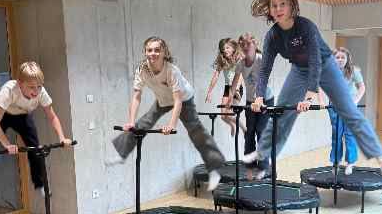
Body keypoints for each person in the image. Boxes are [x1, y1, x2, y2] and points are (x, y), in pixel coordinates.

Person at [242, 0, 382, 175]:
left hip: (325, 65)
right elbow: (265, 69)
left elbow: (315, 60)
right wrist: (259, 96)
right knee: (282, 113)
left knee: (349, 111)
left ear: (291, 6)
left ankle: (381, 157)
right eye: (274, 5)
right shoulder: (272, 36)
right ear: (270, 10)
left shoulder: (306, 27)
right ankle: (263, 153)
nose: (278, 9)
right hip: (299, 70)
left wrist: (309, 96)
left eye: (282, 4)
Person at [110, 36, 226, 191]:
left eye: (157, 50)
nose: (153, 53)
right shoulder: (142, 70)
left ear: (164, 52)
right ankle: (121, 152)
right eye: (149, 50)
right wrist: (131, 121)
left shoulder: (171, 70)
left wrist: (171, 125)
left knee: (195, 131)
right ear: (145, 52)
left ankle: (214, 169)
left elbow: (178, 100)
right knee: (143, 123)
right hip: (163, 99)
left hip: (183, 98)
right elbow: (136, 96)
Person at [0, 61, 72, 212]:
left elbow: (52, 117)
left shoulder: (41, 92)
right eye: (31, 87)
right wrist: (7, 144)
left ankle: (40, 184)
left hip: (22, 115)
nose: (36, 91)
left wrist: (62, 137)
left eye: (39, 87)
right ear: (20, 84)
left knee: (35, 149)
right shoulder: (9, 90)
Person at [228, 33, 274, 180]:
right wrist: (230, 100)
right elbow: (234, 84)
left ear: (255, 45)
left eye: (248, 43)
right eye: (242, 44)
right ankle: (249, 166)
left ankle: (263, 167)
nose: (245, 47)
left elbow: (264, 81)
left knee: (261, 132)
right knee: (249, 134)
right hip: (250, 102)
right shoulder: (241, 64)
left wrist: (258, 100)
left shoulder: (261, 60)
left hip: (265, 100)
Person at [329, 47, 365, 175]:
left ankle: (350, 162)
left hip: (350, 106)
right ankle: (336, 162)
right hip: (335, 106)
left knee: (349, 134)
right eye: (337, 57)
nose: (340, 59)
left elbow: (362, 87)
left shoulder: (354, 71)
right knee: (336, 135)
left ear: (347, 59)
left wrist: (355, 101)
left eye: (343, 57)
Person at [205, 38, 246, 135]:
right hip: (227, 88)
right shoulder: (222, 60)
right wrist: (209, 92)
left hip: (237, 87)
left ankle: (244, 128)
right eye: (223, 49)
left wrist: (236, 90)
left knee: (229, 113)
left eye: (227, 48)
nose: (225, 50)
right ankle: (232, 125)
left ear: (233, 48)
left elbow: (240, 76)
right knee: (223, 116)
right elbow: (215, 76)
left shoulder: (239, 59)